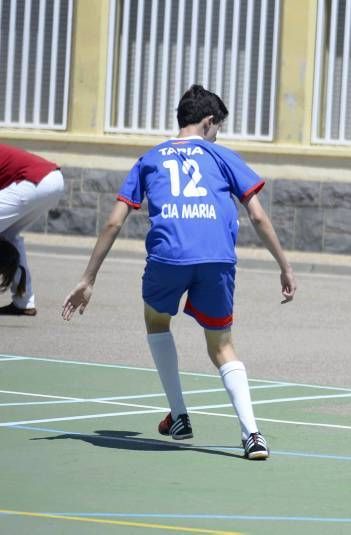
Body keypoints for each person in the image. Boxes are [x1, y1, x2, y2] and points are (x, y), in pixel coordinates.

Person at [62, 85, 297, 460]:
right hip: (217, 258)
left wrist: (88, 278)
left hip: (168, 258)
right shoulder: (222, 156)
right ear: (208, 122)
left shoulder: (150, 159)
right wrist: (284, 266)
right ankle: (252, 434)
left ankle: (181, 414)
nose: (217, 135)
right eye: (218, 128)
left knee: (156, 320)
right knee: (221, 346)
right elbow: (256, 214)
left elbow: (113, 223)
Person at [0, 144, 65, 316]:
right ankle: (24, 302)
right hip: (52, 180)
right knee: (8, 235)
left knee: (7, 236)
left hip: (35, 180)